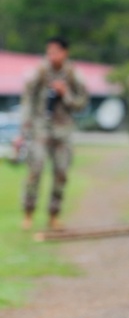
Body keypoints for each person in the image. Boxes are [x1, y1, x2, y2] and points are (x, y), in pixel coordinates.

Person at [16, 37, 88, 231]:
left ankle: (54, 215)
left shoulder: (73, 74)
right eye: (49, 52)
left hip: (63, 131)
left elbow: (82, 104)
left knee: (61, 173)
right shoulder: (40, 72)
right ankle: (28, 212)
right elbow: (27, 100)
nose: (51, 56)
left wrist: (66, 94)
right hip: (41, 128)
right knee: (35, 170)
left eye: (56, 52)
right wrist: (23, 130)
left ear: (65, 53)